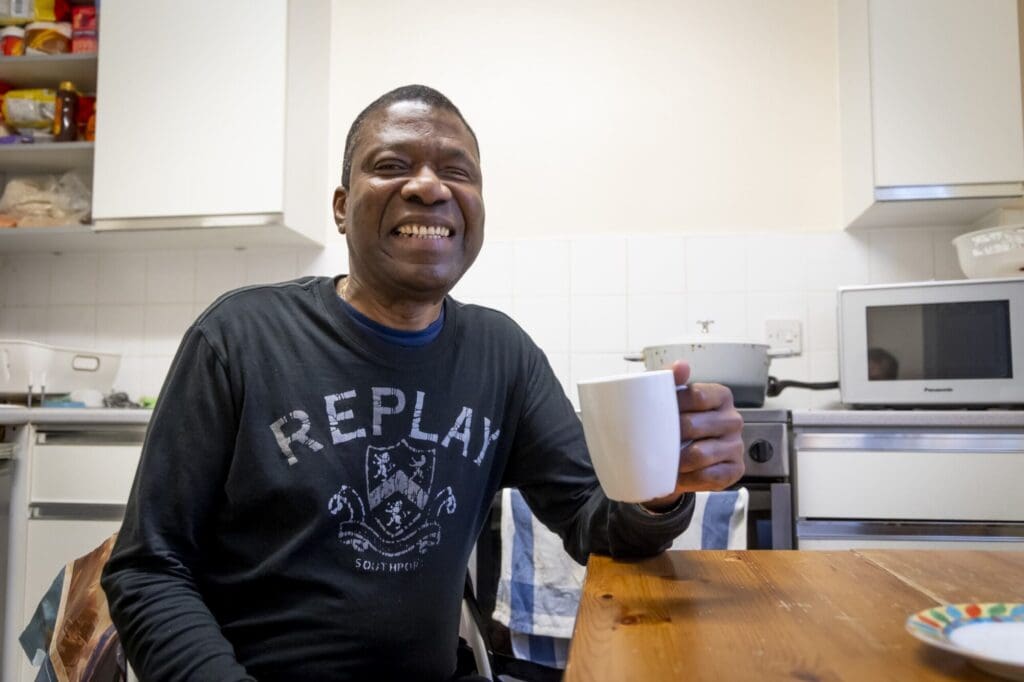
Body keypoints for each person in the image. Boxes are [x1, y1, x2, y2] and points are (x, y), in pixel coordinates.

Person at [101, 84, 745, 681]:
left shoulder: (502, 354)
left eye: (457, 171)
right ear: (341, 207)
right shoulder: (240, 337)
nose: (430, 187)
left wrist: (660, 490)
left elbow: (593, 524)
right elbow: (149, 569)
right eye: (391, 166)